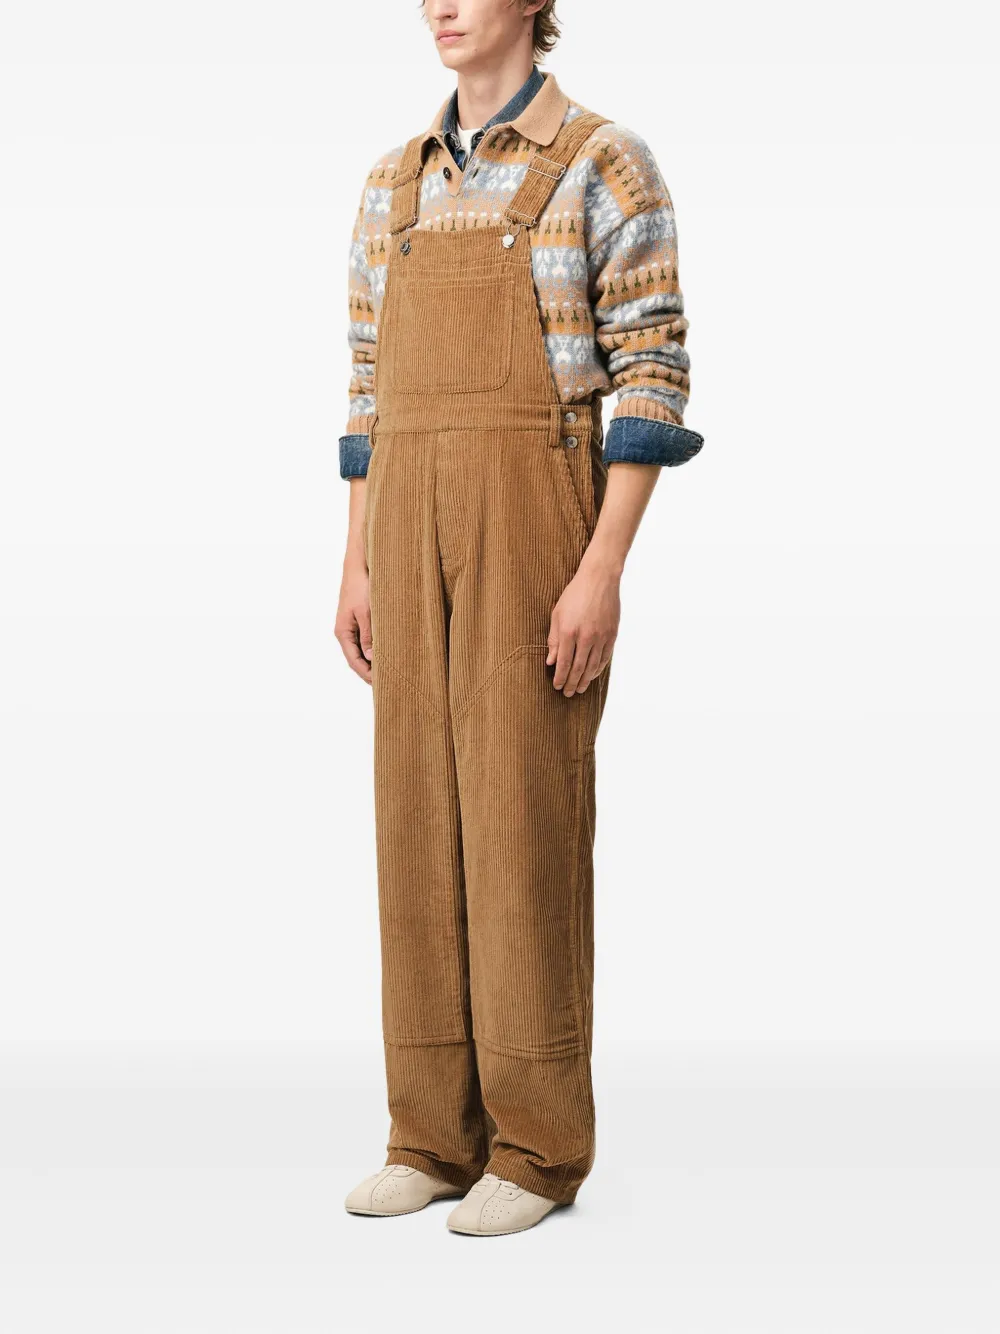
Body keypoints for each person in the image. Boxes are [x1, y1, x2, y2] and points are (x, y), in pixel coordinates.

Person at [335, 0, 703, 1237]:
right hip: (402, 520)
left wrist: (602, 567)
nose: (440, 5)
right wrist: (356, 558)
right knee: (414, 821)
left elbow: (650, 368)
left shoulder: (603, 162)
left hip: (537, 519)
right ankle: (430, 1135)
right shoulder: (391, 182)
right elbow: (366, 382)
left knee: (520, 819)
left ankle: (537, 1148)